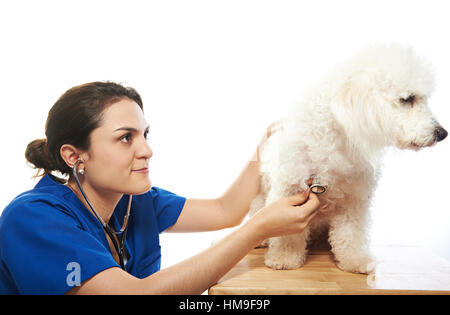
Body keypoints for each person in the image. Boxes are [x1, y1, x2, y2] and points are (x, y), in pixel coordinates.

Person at [0, 81, 320, 294]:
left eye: (144, 135)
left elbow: (226, 210)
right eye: (126, 137)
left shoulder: (134, 202)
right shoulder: (32, 219)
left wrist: (266, 147)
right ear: (74, 156)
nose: (146, 150)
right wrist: (259, 228)